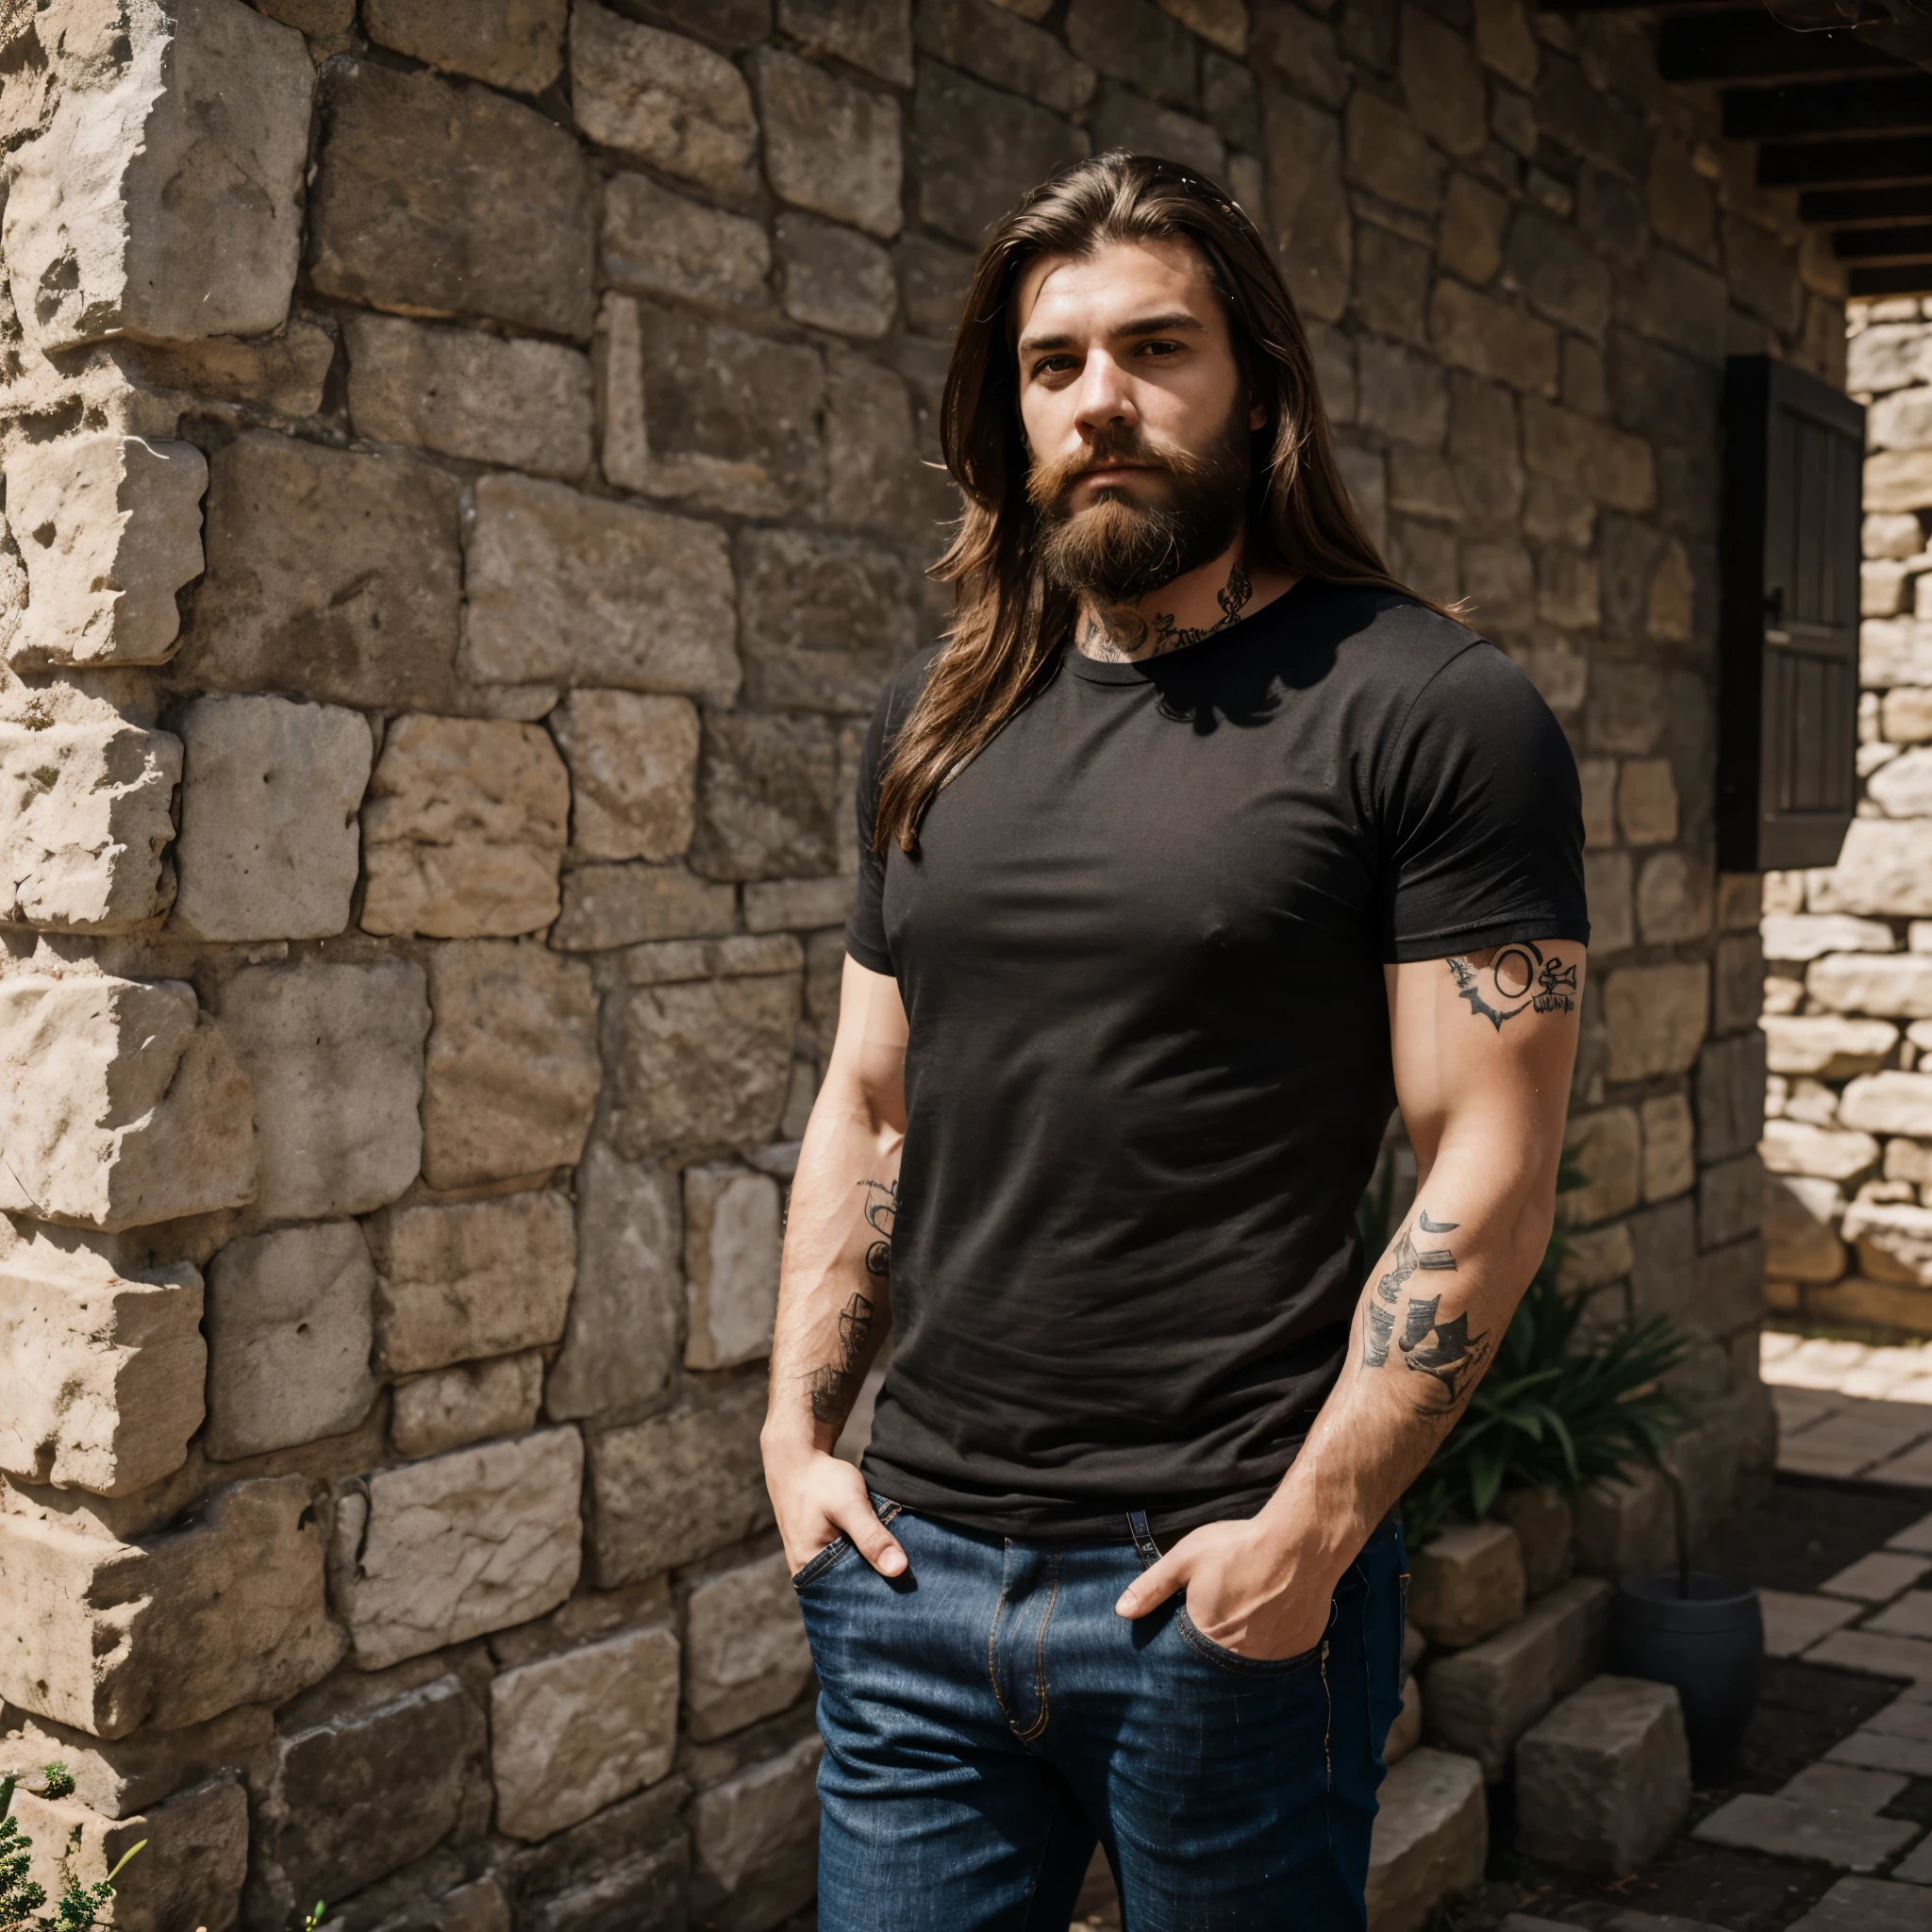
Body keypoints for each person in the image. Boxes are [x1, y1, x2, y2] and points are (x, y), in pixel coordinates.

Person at [759, 150, 1588, 1931]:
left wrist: (1304, 1540)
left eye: (1156, 349)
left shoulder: (1433, 708)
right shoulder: (940, 713)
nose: (1100, 402)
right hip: (909, 1578)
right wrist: (796, 1440)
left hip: (1215, 1589)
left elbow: (1492, 1158)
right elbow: (870, 1095)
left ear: (1259, 381)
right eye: (1054, 367)